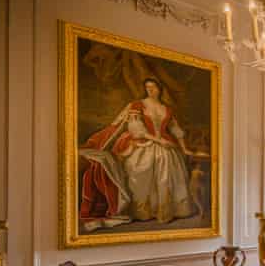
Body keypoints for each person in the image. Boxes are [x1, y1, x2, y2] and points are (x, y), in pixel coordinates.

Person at [79, 78, 196, 231]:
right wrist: (158, 140)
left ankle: (164, 210)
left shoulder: (166, 108)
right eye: (147, 87)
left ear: (160, 89)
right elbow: (135, 126)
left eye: (153, 87)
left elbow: (175, 129)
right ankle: (142, 212)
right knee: (140, 171)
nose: (150, 90)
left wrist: (184, 148)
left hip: (166, 146)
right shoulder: (138, 105)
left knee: (166, 172)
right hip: (144, 142)